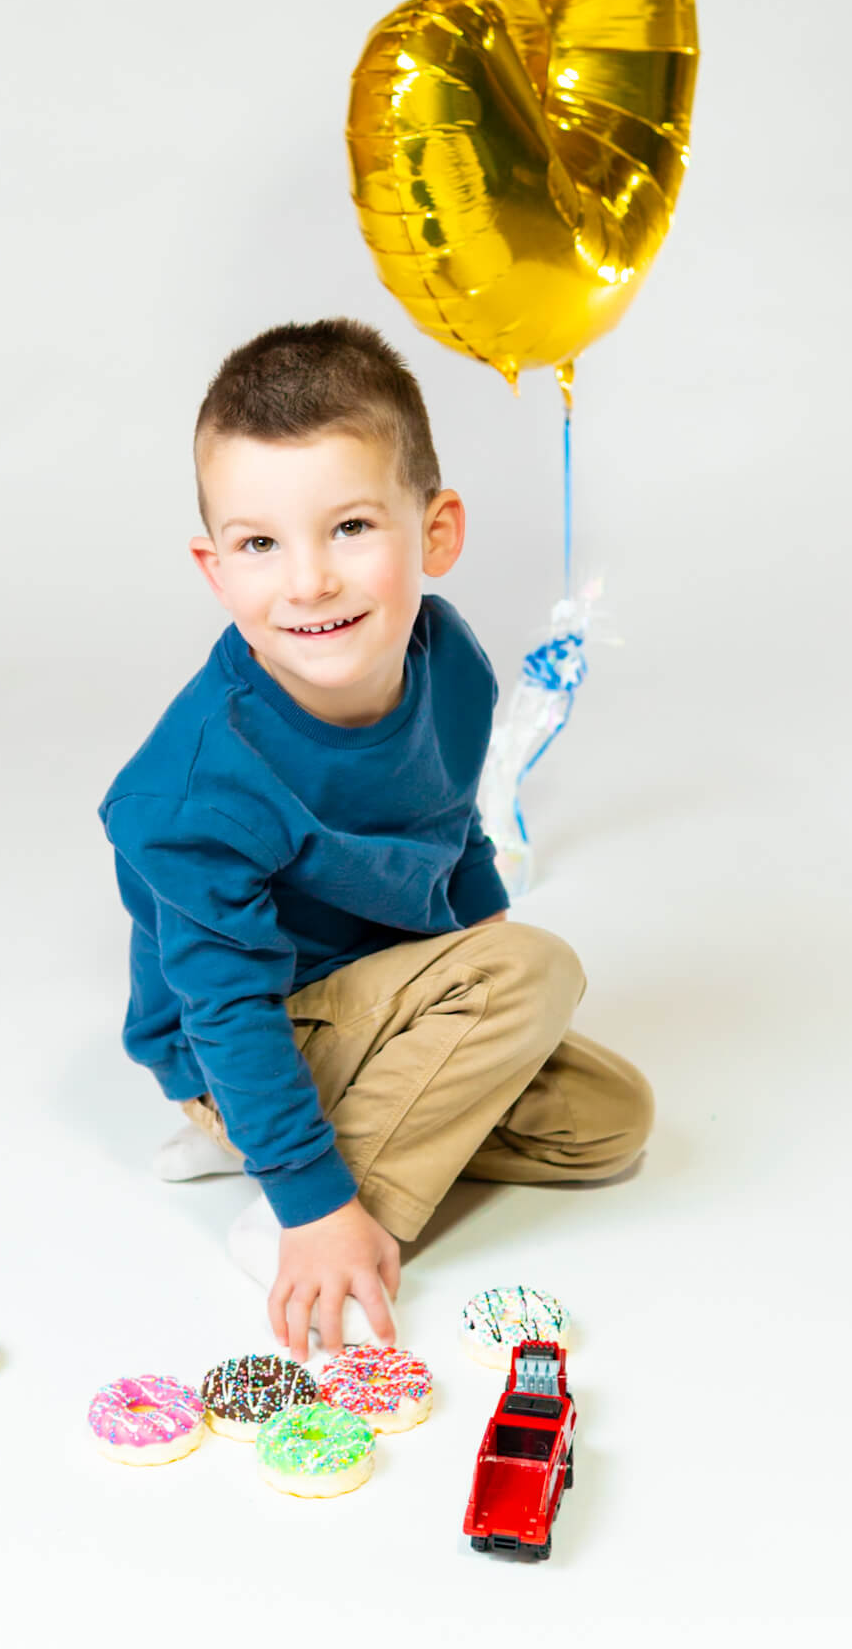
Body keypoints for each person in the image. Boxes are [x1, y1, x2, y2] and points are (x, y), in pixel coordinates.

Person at [98, 317, 653, 1362]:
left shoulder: (450, 665)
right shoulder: (196, 785)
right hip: (243, 1038)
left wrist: (474, 972)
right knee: (534, 971)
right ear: (216, 569)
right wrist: (316, 1203)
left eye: (350, 526)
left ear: (434, 531)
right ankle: (300, 1210)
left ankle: (298, 1142)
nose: (308, 580)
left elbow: (451, 834)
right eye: (261, 543)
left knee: (609, 1119)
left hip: (387, 998)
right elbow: (223, 999)